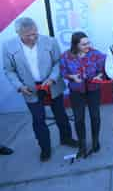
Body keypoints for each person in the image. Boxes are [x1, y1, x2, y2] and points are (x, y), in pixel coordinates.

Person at [2, 17, 77, 162]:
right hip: (29, 89)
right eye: (28, 35)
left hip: (52, 84)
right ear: (19, 34)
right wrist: (19, 86)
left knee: (61, 114)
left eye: (35, 33)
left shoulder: (50, 41)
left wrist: (52, 78)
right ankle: (45, 148)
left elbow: (58, 62)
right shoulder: (8, 46)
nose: (32, 37)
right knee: (38, 119)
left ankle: (66, 138)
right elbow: (9, 70)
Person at [60, 32, 106, 158]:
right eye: (84, 44)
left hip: (93, 89)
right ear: (76, 45)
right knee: (79, 119)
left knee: (95, 116)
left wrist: (99, 75)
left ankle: (95, 141)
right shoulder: (66, 56)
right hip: (76, 91)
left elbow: (105, 67)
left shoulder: (96, 54)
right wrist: (71, 76)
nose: (88, 45)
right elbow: (63, 71)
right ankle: (82, 145)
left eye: (88, 42)